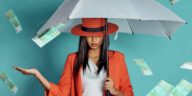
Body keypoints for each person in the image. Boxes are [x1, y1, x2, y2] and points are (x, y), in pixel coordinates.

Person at [14, 18, 134, 96]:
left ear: (104, 35)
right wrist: (37, 74)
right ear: (83, 35)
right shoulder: (73, 59)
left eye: (98, 35)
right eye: (89, 35)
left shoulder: (118, 58)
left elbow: (128, 94)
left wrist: (115, 91)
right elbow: (61, 93)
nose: (94, 39)